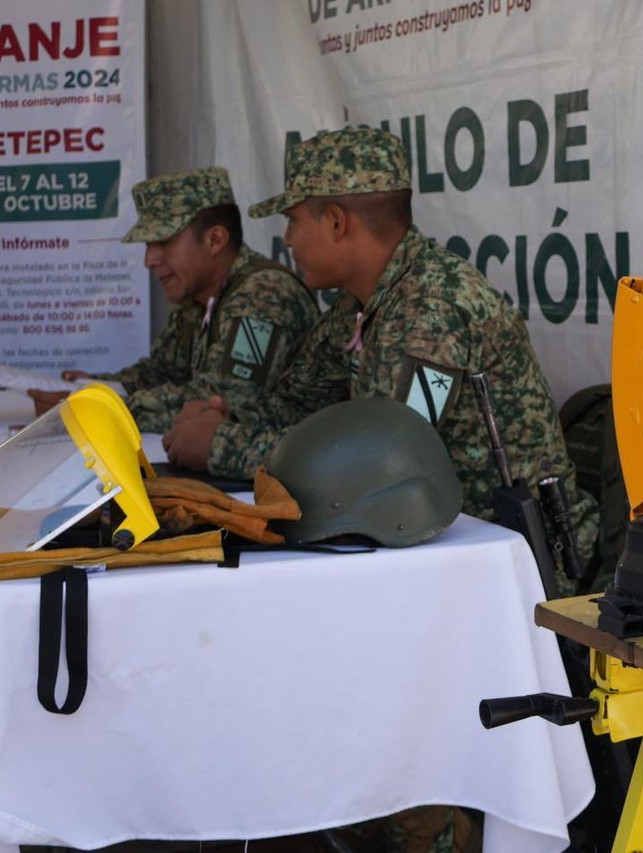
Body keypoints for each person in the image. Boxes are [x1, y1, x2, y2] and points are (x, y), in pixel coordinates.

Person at [163, 128, 598, 566]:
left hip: (519, 560)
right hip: (429, 540)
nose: (288, 240)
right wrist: (224, 417)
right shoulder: (362, 302)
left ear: (336, 222)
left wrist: (221, 445)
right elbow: (296, 404)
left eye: (293, 220)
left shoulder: (434, 307)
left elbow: (378, 466)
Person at [29, 167, 319, 433]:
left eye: (163, 243)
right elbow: (161, 373)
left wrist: (95, 410)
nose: (149, 260)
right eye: (148, 245)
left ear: (215, 240)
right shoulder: (199, 299)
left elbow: (221, 401)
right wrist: (94, 388)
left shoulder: (264, 294)